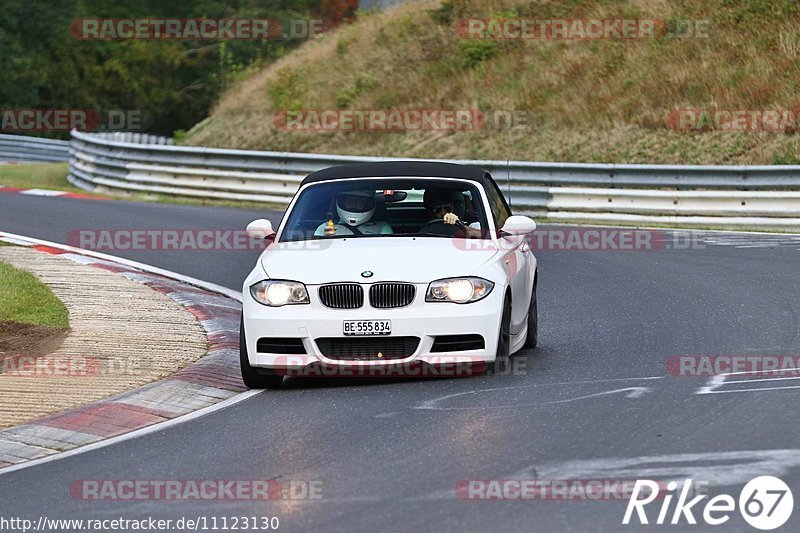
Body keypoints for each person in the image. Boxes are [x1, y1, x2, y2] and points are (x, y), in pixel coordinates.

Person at [314, 190, 393, 237]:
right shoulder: (325, 228)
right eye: (350, 202)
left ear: (369, 204)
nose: (354, 205)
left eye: (359, 202)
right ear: (341, 202)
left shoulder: (382, 228)